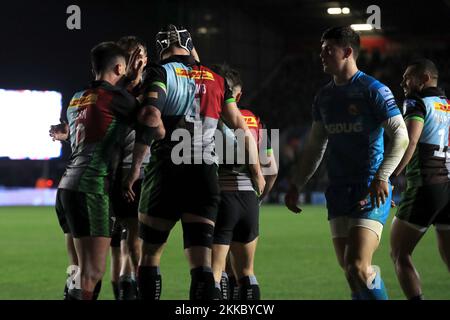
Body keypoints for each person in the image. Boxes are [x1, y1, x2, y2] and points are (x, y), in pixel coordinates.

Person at [123, 24, 265, 300]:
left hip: (166, 173)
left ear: (161, 48)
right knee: (202, 264)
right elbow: (242, 129)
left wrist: (135, 168)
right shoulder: (217, 79)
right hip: (203, 176)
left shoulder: (160, 72)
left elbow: (151, 114)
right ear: (190, 46)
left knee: (150, 255)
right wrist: (257, 171)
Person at [284, 26, 409, 300]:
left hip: (369, 189)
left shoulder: (373, 90)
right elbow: (316, 146)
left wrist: (381, 177)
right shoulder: (324, 97)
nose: (322, 55)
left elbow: (401, 135)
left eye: (328, 50)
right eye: (321, 50)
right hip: (337, 189)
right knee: (351, 271)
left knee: (357, 266)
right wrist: (296, 184)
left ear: (348, 52)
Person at [51, 41, 159, 300]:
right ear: (120, 67)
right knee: (92, 272)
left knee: (77, 270)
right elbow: (154, 122)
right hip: (91, 187)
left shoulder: (78, 97)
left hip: (66, 187)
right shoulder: (117, 98)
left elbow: (92, 132)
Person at [210, 64, 278, 300]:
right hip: (249, 200)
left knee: (215, 273)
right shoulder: (256, 121)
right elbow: (273, 170)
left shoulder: (209, 118)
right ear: (238, 95)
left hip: (220, 198)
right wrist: (259, 198)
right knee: (246, 272)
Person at [390, 59, 450, 300]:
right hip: (448, 187)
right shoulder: (446, 104)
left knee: (399, 254)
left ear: (424, 79)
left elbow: (410, 141)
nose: (403, 82)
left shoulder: (416, 102)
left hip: (426, 187)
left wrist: (390, 175)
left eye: (408, 77)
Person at [110, 35, 151, 300]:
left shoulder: (151, 86)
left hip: (142, 170)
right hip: (119, 171)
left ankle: (131, 286)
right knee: (122, 244)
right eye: (133, 55)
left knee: (132, 242)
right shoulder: (113, 89)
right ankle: (129, 289)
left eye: (142, 54)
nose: (139, 59)